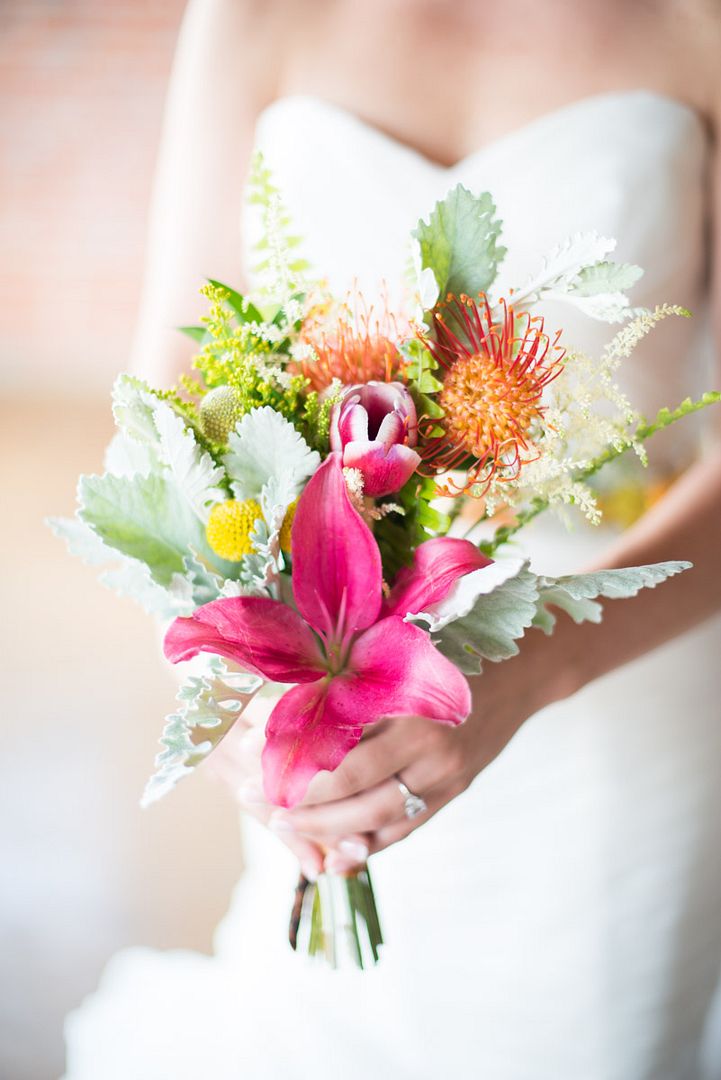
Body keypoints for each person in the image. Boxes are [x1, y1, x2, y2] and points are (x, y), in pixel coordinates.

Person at [64, 1, 721, 1077]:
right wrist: (217, 667)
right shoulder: (245, 19)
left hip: (619, 682)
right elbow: (165, 404)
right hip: (326, 647)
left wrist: (531, 664)